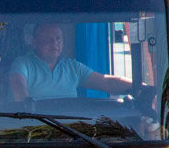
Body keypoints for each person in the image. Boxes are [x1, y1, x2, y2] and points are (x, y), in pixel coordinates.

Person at [9, 22, 138, 103]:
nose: (55, 43)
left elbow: (107, 82)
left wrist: (139, 86)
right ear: (34, 42)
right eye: (47, 39)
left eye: (58, 38)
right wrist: (25, 107)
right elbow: (18, 86)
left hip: (71, 133)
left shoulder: (72, 67)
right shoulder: (23, 64)